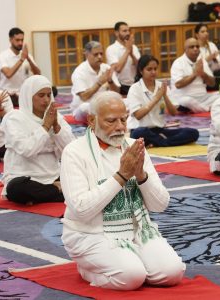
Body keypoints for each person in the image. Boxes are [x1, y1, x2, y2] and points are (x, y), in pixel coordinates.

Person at [60, 91, 185, 290]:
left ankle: (129, 259)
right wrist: (121, 176)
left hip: (136, 230)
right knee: (132, 277)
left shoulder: (133, 148)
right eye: (111, 121)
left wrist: (141, 175)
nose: (120, 127)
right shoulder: (75, 152)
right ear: (92, 120)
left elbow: (160, 205)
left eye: (123, 119)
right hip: (91, 233)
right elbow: (81, 210)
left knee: (172, 273)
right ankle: (88, 269)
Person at [0, 75, 75, 205]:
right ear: (29, 96)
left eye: (48, 95)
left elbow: (72, 151)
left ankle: (44, 195)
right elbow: (27, 150)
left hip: (53, 176)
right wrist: (45, 127)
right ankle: (58, 191)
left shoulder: (56, 117)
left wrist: (57, 128)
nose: (46, 100)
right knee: (15, 188)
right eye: (41, 95)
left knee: (85, 177)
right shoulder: (15, 119)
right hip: (25, 176)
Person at [127, 55, 199, 147]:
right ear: (141, 71)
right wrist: (156, 98)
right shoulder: (135, 88)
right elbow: (138, 115)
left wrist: (164, 95)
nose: (153, 72)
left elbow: (173, 113)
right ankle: (163, 141)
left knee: (193, 133)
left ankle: (159, 142)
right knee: (139, 133)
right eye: (149, 69)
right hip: (140, 130)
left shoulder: (162, 86)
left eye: (155, 69)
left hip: (159, 130)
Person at [71, 41, 120, 122]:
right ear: (87, 55)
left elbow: (117, 92)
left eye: (101, 54)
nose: (99, 57)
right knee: (85, 107)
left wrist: (110, 81)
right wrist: (99, 83)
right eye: (96, 54)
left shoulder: (106, 68)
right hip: (84, 108)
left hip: (103, 105)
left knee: (126, 102)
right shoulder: (79, 72)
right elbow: (84, 96)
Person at [170, 38, 219, 113]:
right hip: (185, 98)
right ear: (185, 49)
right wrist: (195, 74)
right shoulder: (178, 63)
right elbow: (178, 84)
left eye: (197, 46)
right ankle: (208, 109)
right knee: (186, 101)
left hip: (203, 97)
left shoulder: (202, 62)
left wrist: (203, 74)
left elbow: (212, 83)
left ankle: (197, 109)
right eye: (192, 47)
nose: (195, 49)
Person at [0, 27, 41, 106]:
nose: (20, 43)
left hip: (22, 94)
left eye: (22, 40)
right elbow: (8, 74)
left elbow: (38, 74)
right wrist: (21, 59)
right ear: (10, 40)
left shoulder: (27, 55)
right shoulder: (2, 56)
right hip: (7, 94)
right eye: (17, 40)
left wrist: (29, 60)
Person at [106, 21, 140, 96]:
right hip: (119, 86)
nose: (128, 33)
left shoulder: (134, 47)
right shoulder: (111, 49)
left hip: (135, 84)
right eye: (124, 31)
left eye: (128, 31)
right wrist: (127, 51)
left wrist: (131, 54)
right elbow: (118, 69)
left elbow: (139, 67)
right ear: (116, 33)